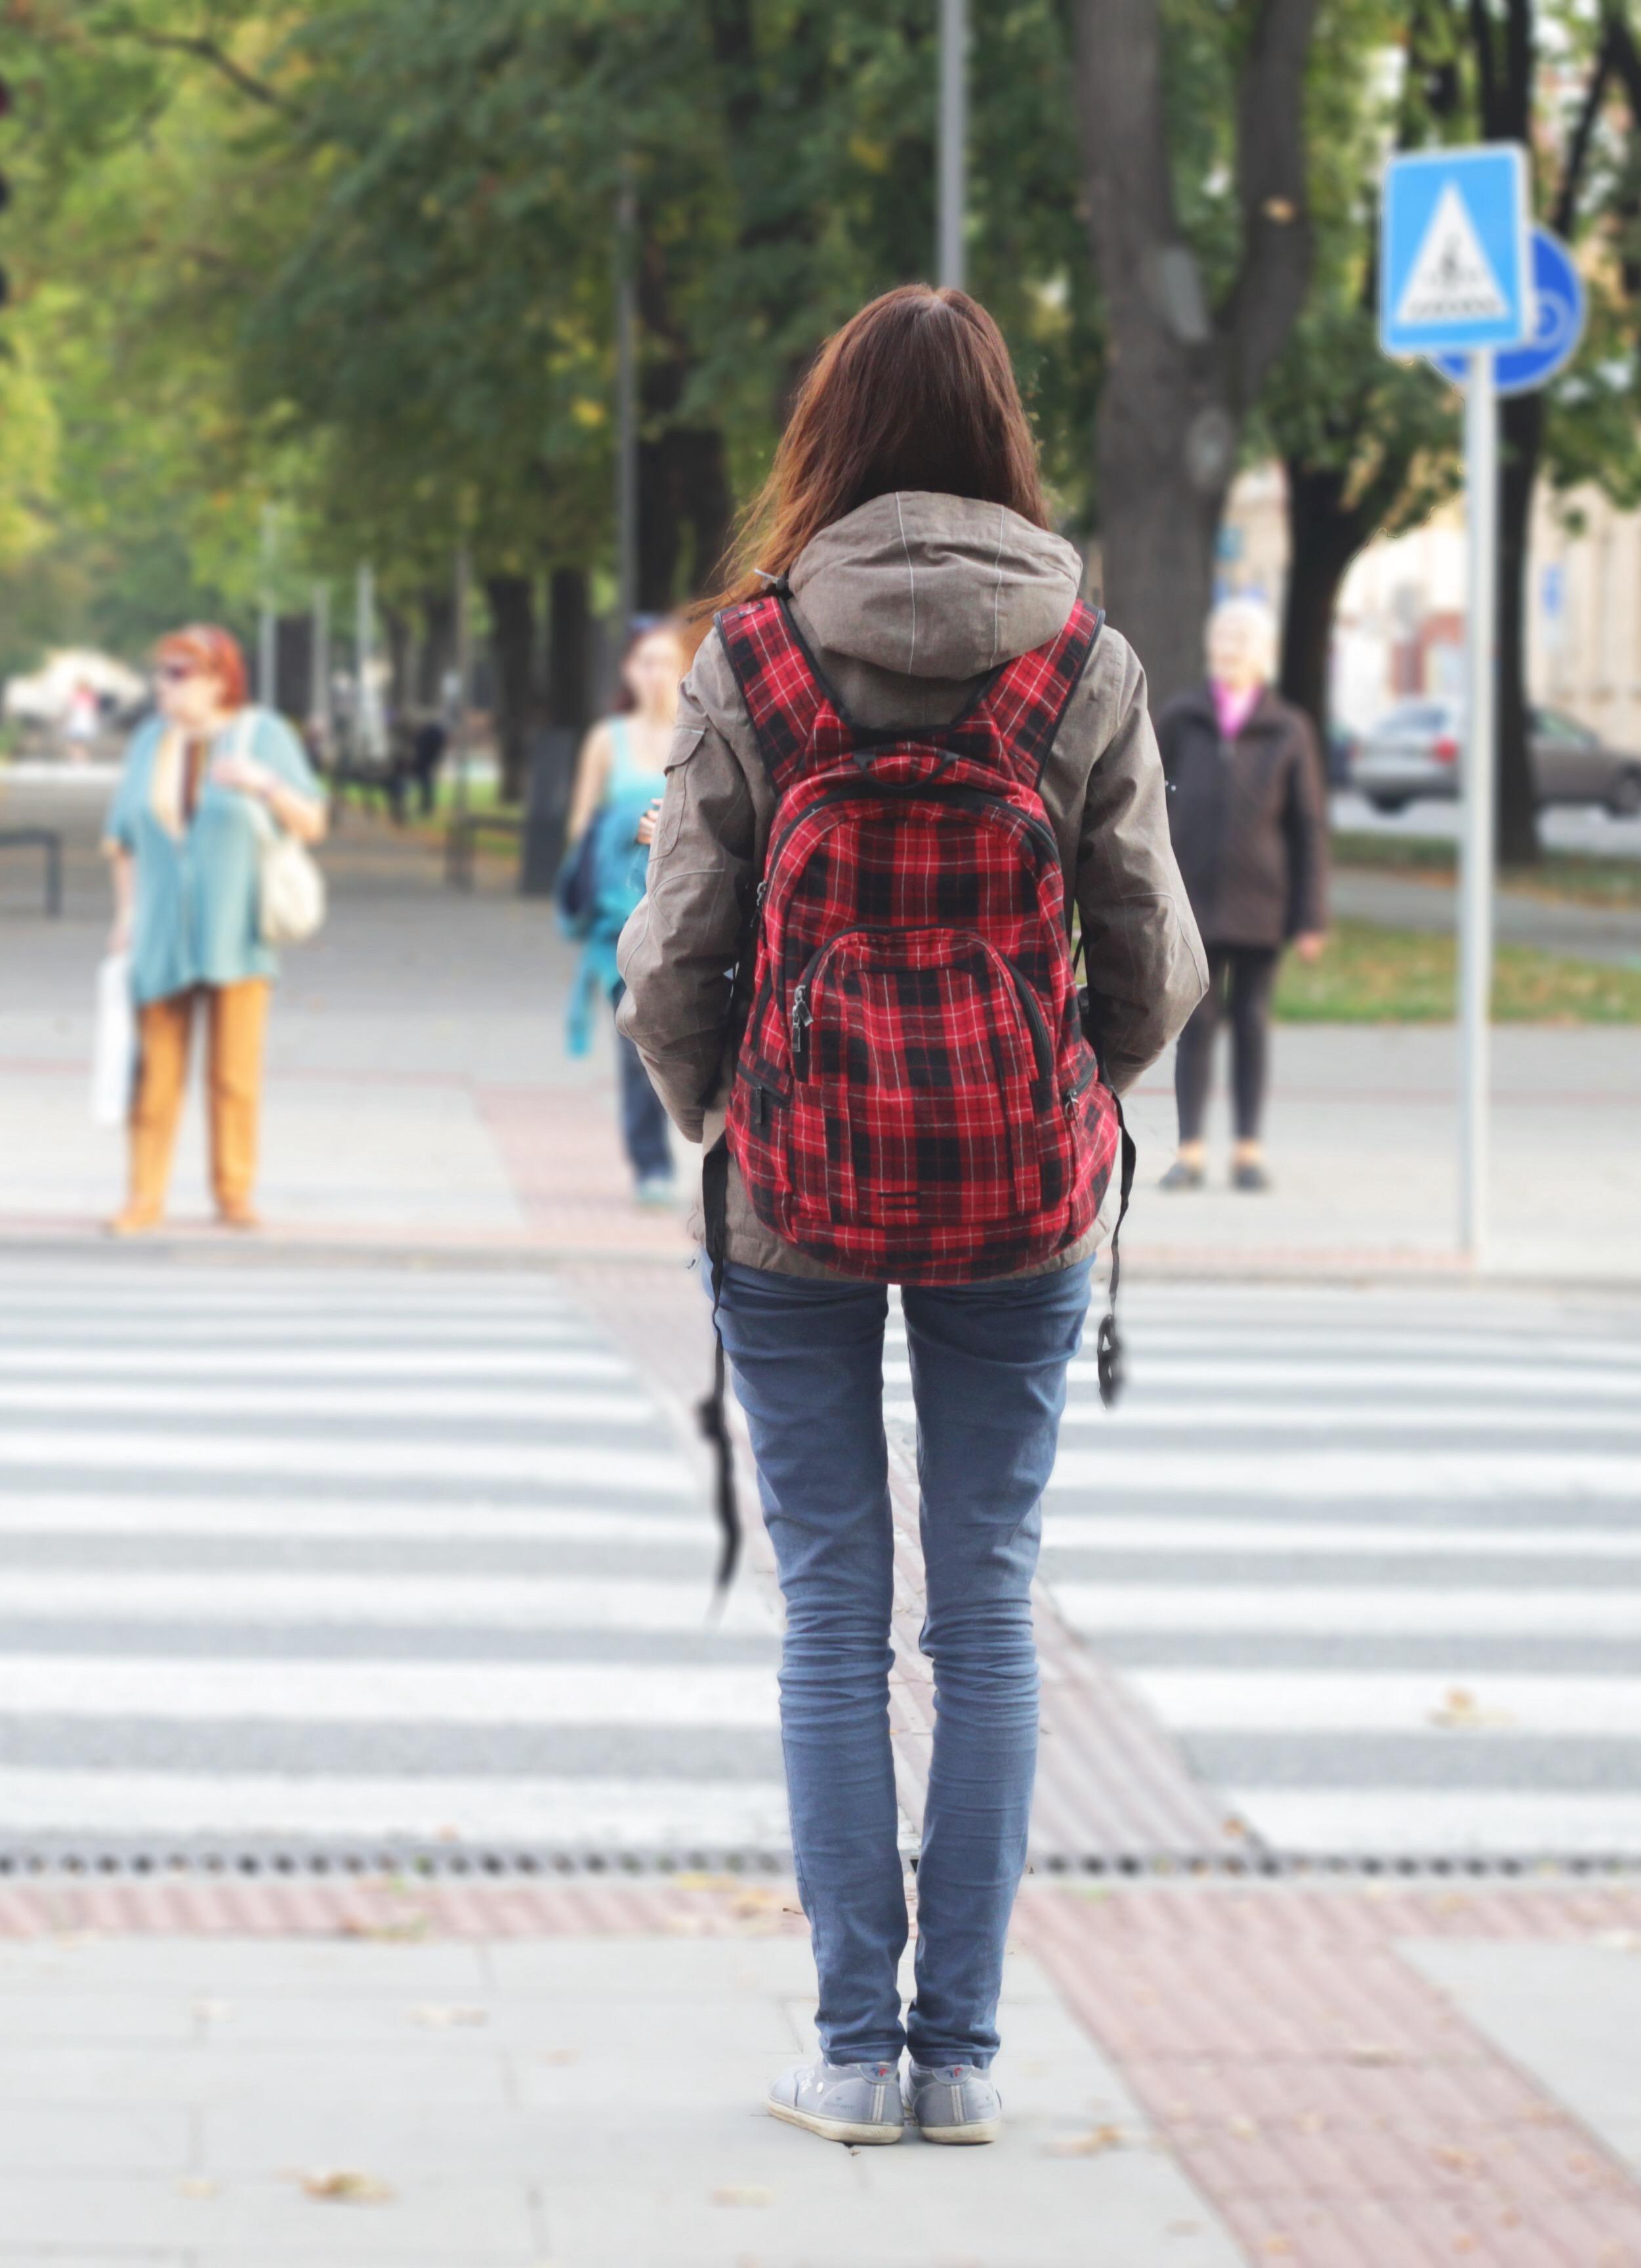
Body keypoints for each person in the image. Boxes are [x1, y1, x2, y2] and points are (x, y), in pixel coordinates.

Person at [617, 285, 1205, 2149]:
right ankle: (961, 2065)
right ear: (1002, 433)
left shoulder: (757, 657)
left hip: (791, 1194)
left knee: (831, 1623)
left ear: (832, 435)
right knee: (989, 1619)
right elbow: (1159, 961)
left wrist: (731, 1112)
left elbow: (670, 961)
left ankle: (848, 2057)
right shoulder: (1082, 659)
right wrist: (1065, 1096)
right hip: (1025, 1201)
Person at [100, 624, 326, 1234]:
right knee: (153, 1075)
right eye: (161, 671)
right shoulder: (150, 741)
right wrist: (124, 916)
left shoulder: (263, 735)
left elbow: (311, 822)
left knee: (233, 1075)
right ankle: (143, 1197)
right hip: (160, 933)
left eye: (179, 673)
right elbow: (121, 839)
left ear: (218, 679)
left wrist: (263, 783)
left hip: (239, 930)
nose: (164, 685)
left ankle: (234, 1192)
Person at [1156, 597, 1329, 1193]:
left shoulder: (1289, 728)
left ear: (1262, 656)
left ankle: (1249, 1151)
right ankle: (1191, 1151)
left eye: (1240, 645)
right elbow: (1147, 799)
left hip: (1263, 902)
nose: (1228, 654)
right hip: (1193, 902)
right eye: (1221, 643)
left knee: (1251, 1021)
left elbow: (1308, 827)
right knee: (1196, 1026)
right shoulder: (1182, 716)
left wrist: (1310, 917)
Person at [560, 617, 697, 1208]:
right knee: (637, 1037)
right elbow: (580, 831)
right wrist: (627, 834)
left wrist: (669, 834)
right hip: (622, 922)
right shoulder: (605, 741)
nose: (658, 673)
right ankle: (651, 1162)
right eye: (647, 661)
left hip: (689, 915)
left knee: (691, 1038)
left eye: (668, 661)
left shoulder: (702, 734)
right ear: (629, 671)